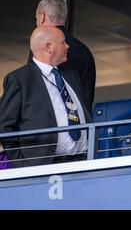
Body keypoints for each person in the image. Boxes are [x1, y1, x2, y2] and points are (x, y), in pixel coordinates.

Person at [0, 26, 91, 168]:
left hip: (83, 162)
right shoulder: (20, 79)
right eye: (63, 42)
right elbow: (4, 127)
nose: (67, 46)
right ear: (48, 47)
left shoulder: (72, 76)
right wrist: (22, 164)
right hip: (43, 168)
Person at [33, 0, 96, 113]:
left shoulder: (44, 46)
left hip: (49, 124)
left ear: (42, 16)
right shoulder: (84, 51)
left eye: (36, 18)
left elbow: (34, 89)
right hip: (80, 124)